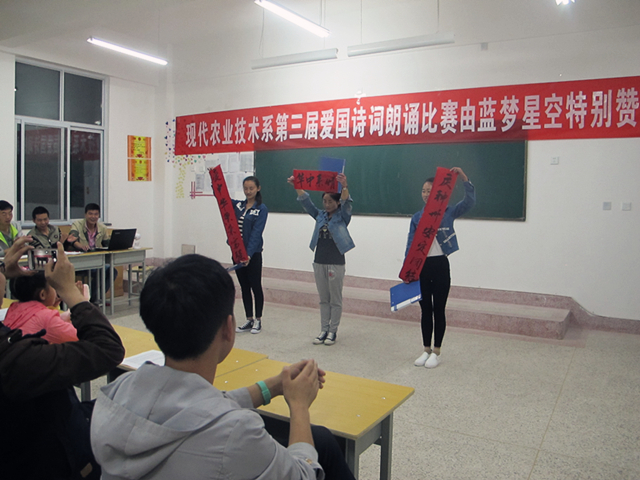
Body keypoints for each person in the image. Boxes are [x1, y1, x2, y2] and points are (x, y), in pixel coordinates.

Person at [90, 254, 355, 480]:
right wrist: (299, 405)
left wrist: (272, 386)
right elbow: (303, 475)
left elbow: (203, 408)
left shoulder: (118, 391)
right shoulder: (236, 433)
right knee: (320, 445)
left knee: (321, 439)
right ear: (228, 329)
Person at [0, 239, 125, 480]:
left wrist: (6, 271)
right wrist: (72, 294)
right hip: (48, 457)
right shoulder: (17, 359)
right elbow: (108, 349)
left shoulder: (13, 316)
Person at [406, 167, 476, 369]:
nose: (425, 194)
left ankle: (436, 351)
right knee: (425, 309)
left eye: (429, 190)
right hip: (422, 267)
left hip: (440, 266)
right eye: (423, 191)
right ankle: (426, 349)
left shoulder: (448, 212)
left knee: (439, 309)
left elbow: (469, 202)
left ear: (438, 192)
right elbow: (410, 244)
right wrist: (408, 270)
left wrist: (464, 179)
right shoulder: (417, 217)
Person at [287, 173, 354, 346]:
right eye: (324, 201)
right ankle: (324, 329)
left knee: (335, 299)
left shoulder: (342, 216)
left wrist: (344, 186)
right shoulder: (320, 215)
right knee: (324, 299)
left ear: (337, 203)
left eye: (330, 201)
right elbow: (307, 203)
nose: (327, 204)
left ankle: (333, 331)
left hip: (336, 262)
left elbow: (347, 203)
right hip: (319, 261)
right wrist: (297, 186)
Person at [233, 176, 268, 334]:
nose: (248, 191)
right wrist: (214, 181)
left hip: (253, 255)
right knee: (244, 287)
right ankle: (249, 319)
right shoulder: (239, 205)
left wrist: (248, 254)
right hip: (237, 254)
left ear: (258, 188)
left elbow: (256, 233)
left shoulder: (261, 209)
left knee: (255, 286)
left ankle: (258, 319)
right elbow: (222, 200)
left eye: (251, 188)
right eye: (245, 188)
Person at [4, 271, 79, 343]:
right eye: (53, 286)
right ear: (42, 295)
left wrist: (52, 307)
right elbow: (81, 335)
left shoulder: (13, 308)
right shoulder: (46, 319)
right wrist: (79, 303)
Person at [67, 203, 117, 304]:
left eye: (96, 214)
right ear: (85, 214)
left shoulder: (102, 228)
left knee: (112, 271)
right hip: (81, 261)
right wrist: (81, 246)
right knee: (105, 269)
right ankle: (92, 299)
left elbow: (106, 244)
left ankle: (95, 297)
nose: (93, 217)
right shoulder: (77, 224)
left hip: (96, 260)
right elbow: (72, 240)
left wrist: (116, 242)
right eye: (90, 214)